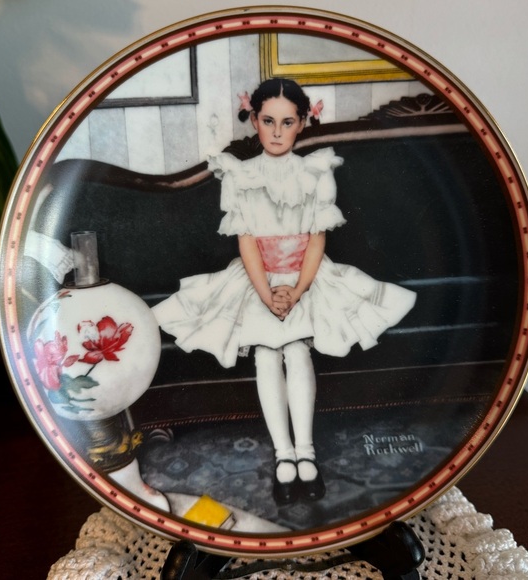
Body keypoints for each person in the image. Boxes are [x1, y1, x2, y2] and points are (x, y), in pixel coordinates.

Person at [152, 78, 416, 505]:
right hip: (257, 279)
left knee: (296, 349)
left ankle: (306, 452)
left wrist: (295, 291)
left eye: (287, 122)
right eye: (268, 121)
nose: (277, 132)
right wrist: (266, 294)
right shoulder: (239, 174)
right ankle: (283, 455)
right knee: (266, 352)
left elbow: (316, 240)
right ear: (254, 121)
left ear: (302, 123)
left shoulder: (315, 171)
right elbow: (246, 243)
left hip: (306, 277)